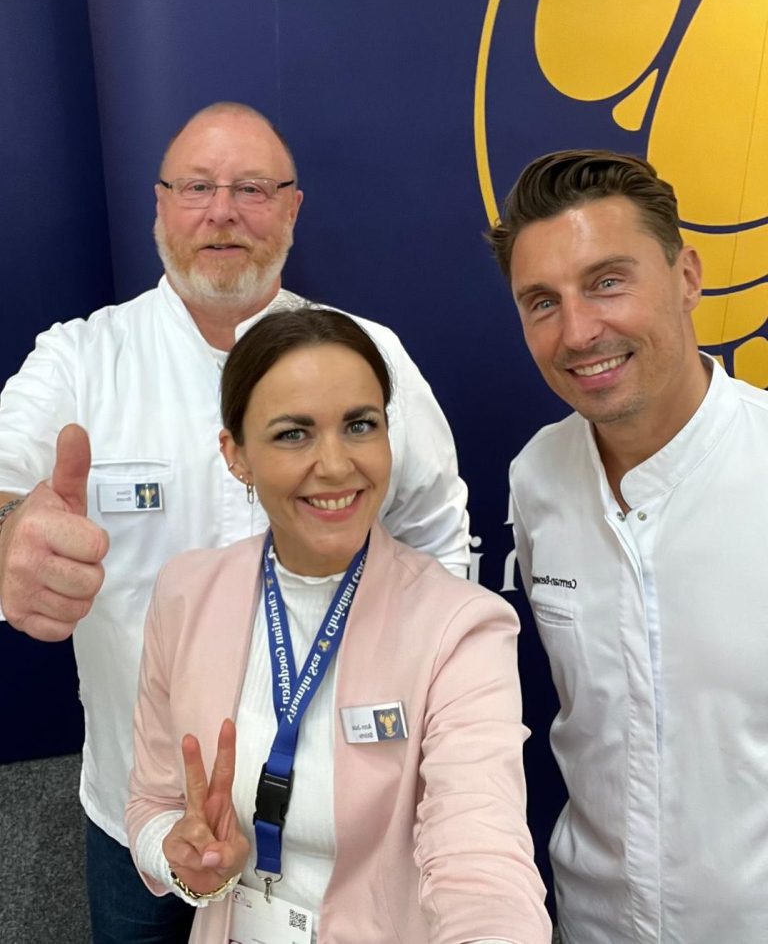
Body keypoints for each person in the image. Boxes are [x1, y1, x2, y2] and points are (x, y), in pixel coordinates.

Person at [0, 102, 470, 943]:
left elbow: (435, 529)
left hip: (338, 819)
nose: (222, 211)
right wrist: (8, 536)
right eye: (197, 188)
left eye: (252, 188)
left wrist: (440, 697)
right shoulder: (80, 358)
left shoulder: (372, 356)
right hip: (137, 807)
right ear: (159, 206)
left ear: (292, 209)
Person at [126, 306, 551, 944]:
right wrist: (181, 858)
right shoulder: (187, 593)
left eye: (360, 425)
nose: (334, 465)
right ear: (236, 454)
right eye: (294, 434)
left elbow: (481, 860)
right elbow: (154, 802)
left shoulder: (460, 629)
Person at [486, 149, 768, 944]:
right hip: (590, 924)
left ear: (687, 276)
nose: (578, 331)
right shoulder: (536, 476)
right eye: (542, 301)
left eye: (608, 281)